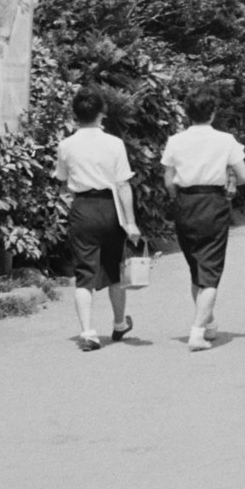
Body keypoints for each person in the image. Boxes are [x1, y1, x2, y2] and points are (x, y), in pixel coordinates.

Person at [161, 87, 245, 352]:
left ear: (188, 113)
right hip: (213, 203)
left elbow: (168, 180)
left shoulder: (175, 141)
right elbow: (244, 176)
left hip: (185, 203)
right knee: (210, 271)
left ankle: (208, 322)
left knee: (196, 268)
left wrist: (178, 196)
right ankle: (197, 333)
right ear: (212, 112)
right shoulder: (225, 140)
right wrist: (229, 179)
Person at [53, 85, 142, 350]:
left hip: (82, 208)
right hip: (110, 207)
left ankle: (88, 333)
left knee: (84, 274)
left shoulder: (65, 145)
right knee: (115, 270)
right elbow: (124, 184)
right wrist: (131, 222)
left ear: (75, 115)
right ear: (101, 113)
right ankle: (119, 323)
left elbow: (61, 180)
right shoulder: (114, 144)